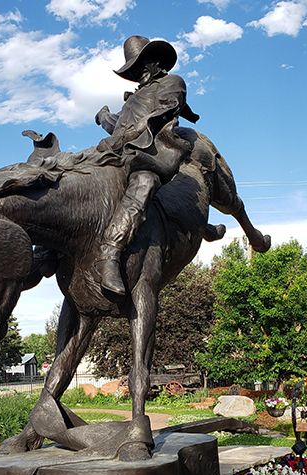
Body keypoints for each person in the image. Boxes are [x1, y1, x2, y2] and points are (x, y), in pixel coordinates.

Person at [94, 35, 200, 295]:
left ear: (156, 63)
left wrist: (126, 136)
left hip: (152, 154)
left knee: (145, 181)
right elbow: (117, 126)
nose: (137, 72)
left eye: (141, 65)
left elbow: (163, 112)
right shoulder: (132, 99)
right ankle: (48, 253)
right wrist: (105, 117)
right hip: (121, 152)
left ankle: (110, 252)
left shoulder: (172, 83)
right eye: (132, 69)